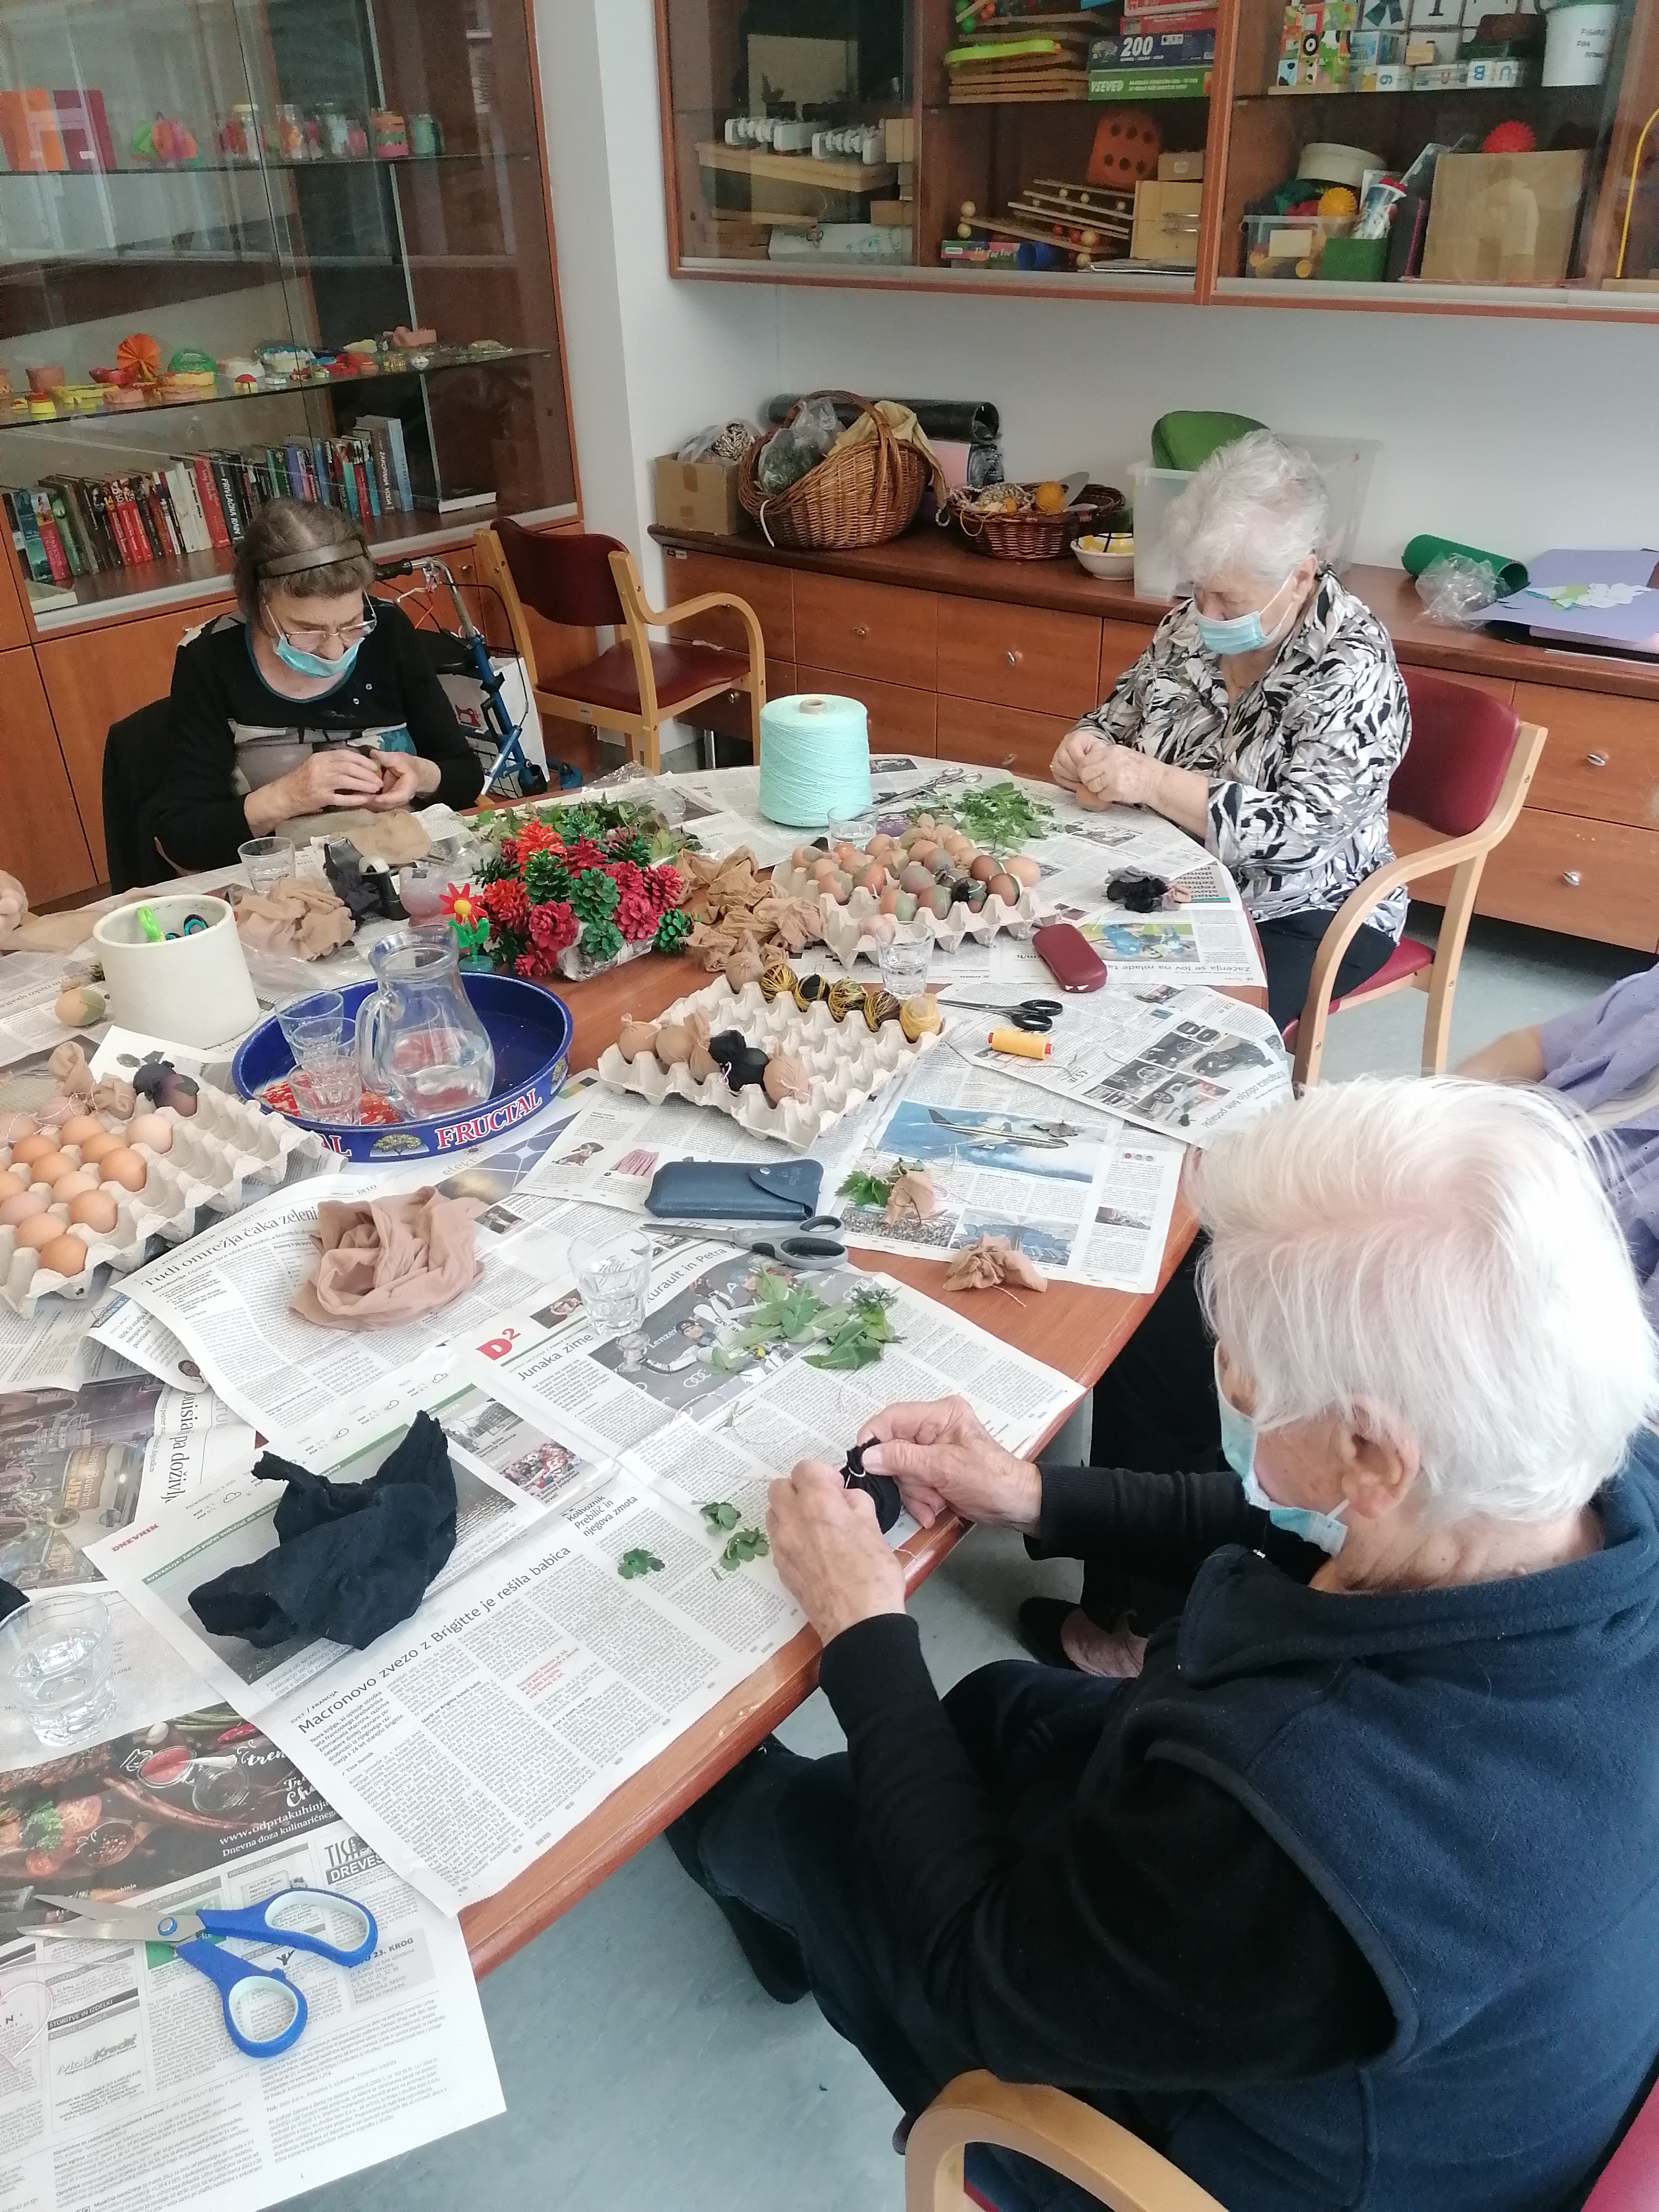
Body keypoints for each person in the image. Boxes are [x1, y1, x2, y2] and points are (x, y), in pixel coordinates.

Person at [667, 1079, 1659, 2212]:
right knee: (999, 1707)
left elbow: (985, 1981)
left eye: (1242, 1370)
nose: (1222, 1380)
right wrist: (1035, 1491)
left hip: (1211, 2144)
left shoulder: (1306, 1825)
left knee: (802, 1827)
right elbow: (1302, 1516)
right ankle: (800, 1901)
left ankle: (740, 1853)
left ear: (1371, 1453)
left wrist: (862, 1626)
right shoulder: (1568, 1480)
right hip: (1408, 2003)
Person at [1050, 432, 1411, 1029]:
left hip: (1303, 908)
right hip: (1172, 875)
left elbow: (1300, 835)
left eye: (1228, 599)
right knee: (1053, 970)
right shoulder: (1187, 629)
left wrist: (1152, 782)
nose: (1206, 615)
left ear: (1301, 575)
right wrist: (1085, 748)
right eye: (1198, 589)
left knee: (1179, 1028)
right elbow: (1115, 721)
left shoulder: (1351, 667)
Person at [143, 498, 483, 872]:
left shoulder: (387, 631)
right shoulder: (210, 658)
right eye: (307, 630)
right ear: (258, 604)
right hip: (281, 876)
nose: (335, 650)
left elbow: (465, 774)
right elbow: (182, 836)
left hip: (400, 860)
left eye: (352, 624)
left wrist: (421, 776)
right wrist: (287, 796)